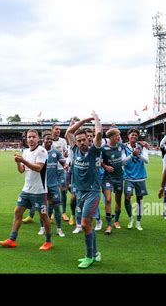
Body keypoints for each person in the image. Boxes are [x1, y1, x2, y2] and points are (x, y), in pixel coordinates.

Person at [0, 129, 53, 250]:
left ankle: (48, 241)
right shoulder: (26, 151)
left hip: (39, 191)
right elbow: (22, 170)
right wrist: (18, 163)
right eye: (29, 137)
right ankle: (12, 239)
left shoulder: (42, 151)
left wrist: (23, 161)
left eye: (33, 137)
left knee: (44, 216)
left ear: (38, 138)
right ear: (26, 139)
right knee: (17, 212)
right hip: (26, 190)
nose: (31, 139)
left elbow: (38, 168)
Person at [65, 112, 102, 269]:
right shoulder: (74, 149)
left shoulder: (94, 150)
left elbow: (99, 132)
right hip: (79, 192)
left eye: (83, 140)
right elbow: (68, 132)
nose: (81, 142)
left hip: (92, 192)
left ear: (89, 139)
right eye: (78, 140)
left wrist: (95, 119)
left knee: (85, 223)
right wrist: (84, 120)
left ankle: (89, 256)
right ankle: (95, 253)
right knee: (88, 225)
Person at [122, 129, 149, 231]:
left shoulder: (142, 146)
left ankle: (138, 221)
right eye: (132, 135)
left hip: (140, 178)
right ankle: (130, 219)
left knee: (139, 200)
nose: (134, 137)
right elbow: (123, 162)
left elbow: (146, 161)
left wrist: (139, 155)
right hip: (128, 177)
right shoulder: (124, 147)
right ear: (128, 136)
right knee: (127, 198)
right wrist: (132, 155)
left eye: (136, 135)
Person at [100, 128, 125, 234]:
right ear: (110, 137)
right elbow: (99, 161)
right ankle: (109, 225)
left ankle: (117, 221)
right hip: (108, 178)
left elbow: (130, 147)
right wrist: (105, 166)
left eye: (118, 135)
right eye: (116, 135)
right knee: (109, 199)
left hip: (119, 177)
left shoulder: (121, 146)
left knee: (118, 200)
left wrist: (142, 143)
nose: (118, 137)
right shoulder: (103, 148)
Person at [50, 124, 70, 223]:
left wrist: (66, 154)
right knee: (51, 191)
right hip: (51, 169)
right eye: (56, 129)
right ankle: (52, 212)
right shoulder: (48, 140)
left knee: (63, 190)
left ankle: (64, 212)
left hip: (61, 169)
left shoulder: (63, 141)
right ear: (52, 130)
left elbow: (65, 153)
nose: (58, 131)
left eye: (59, 129)